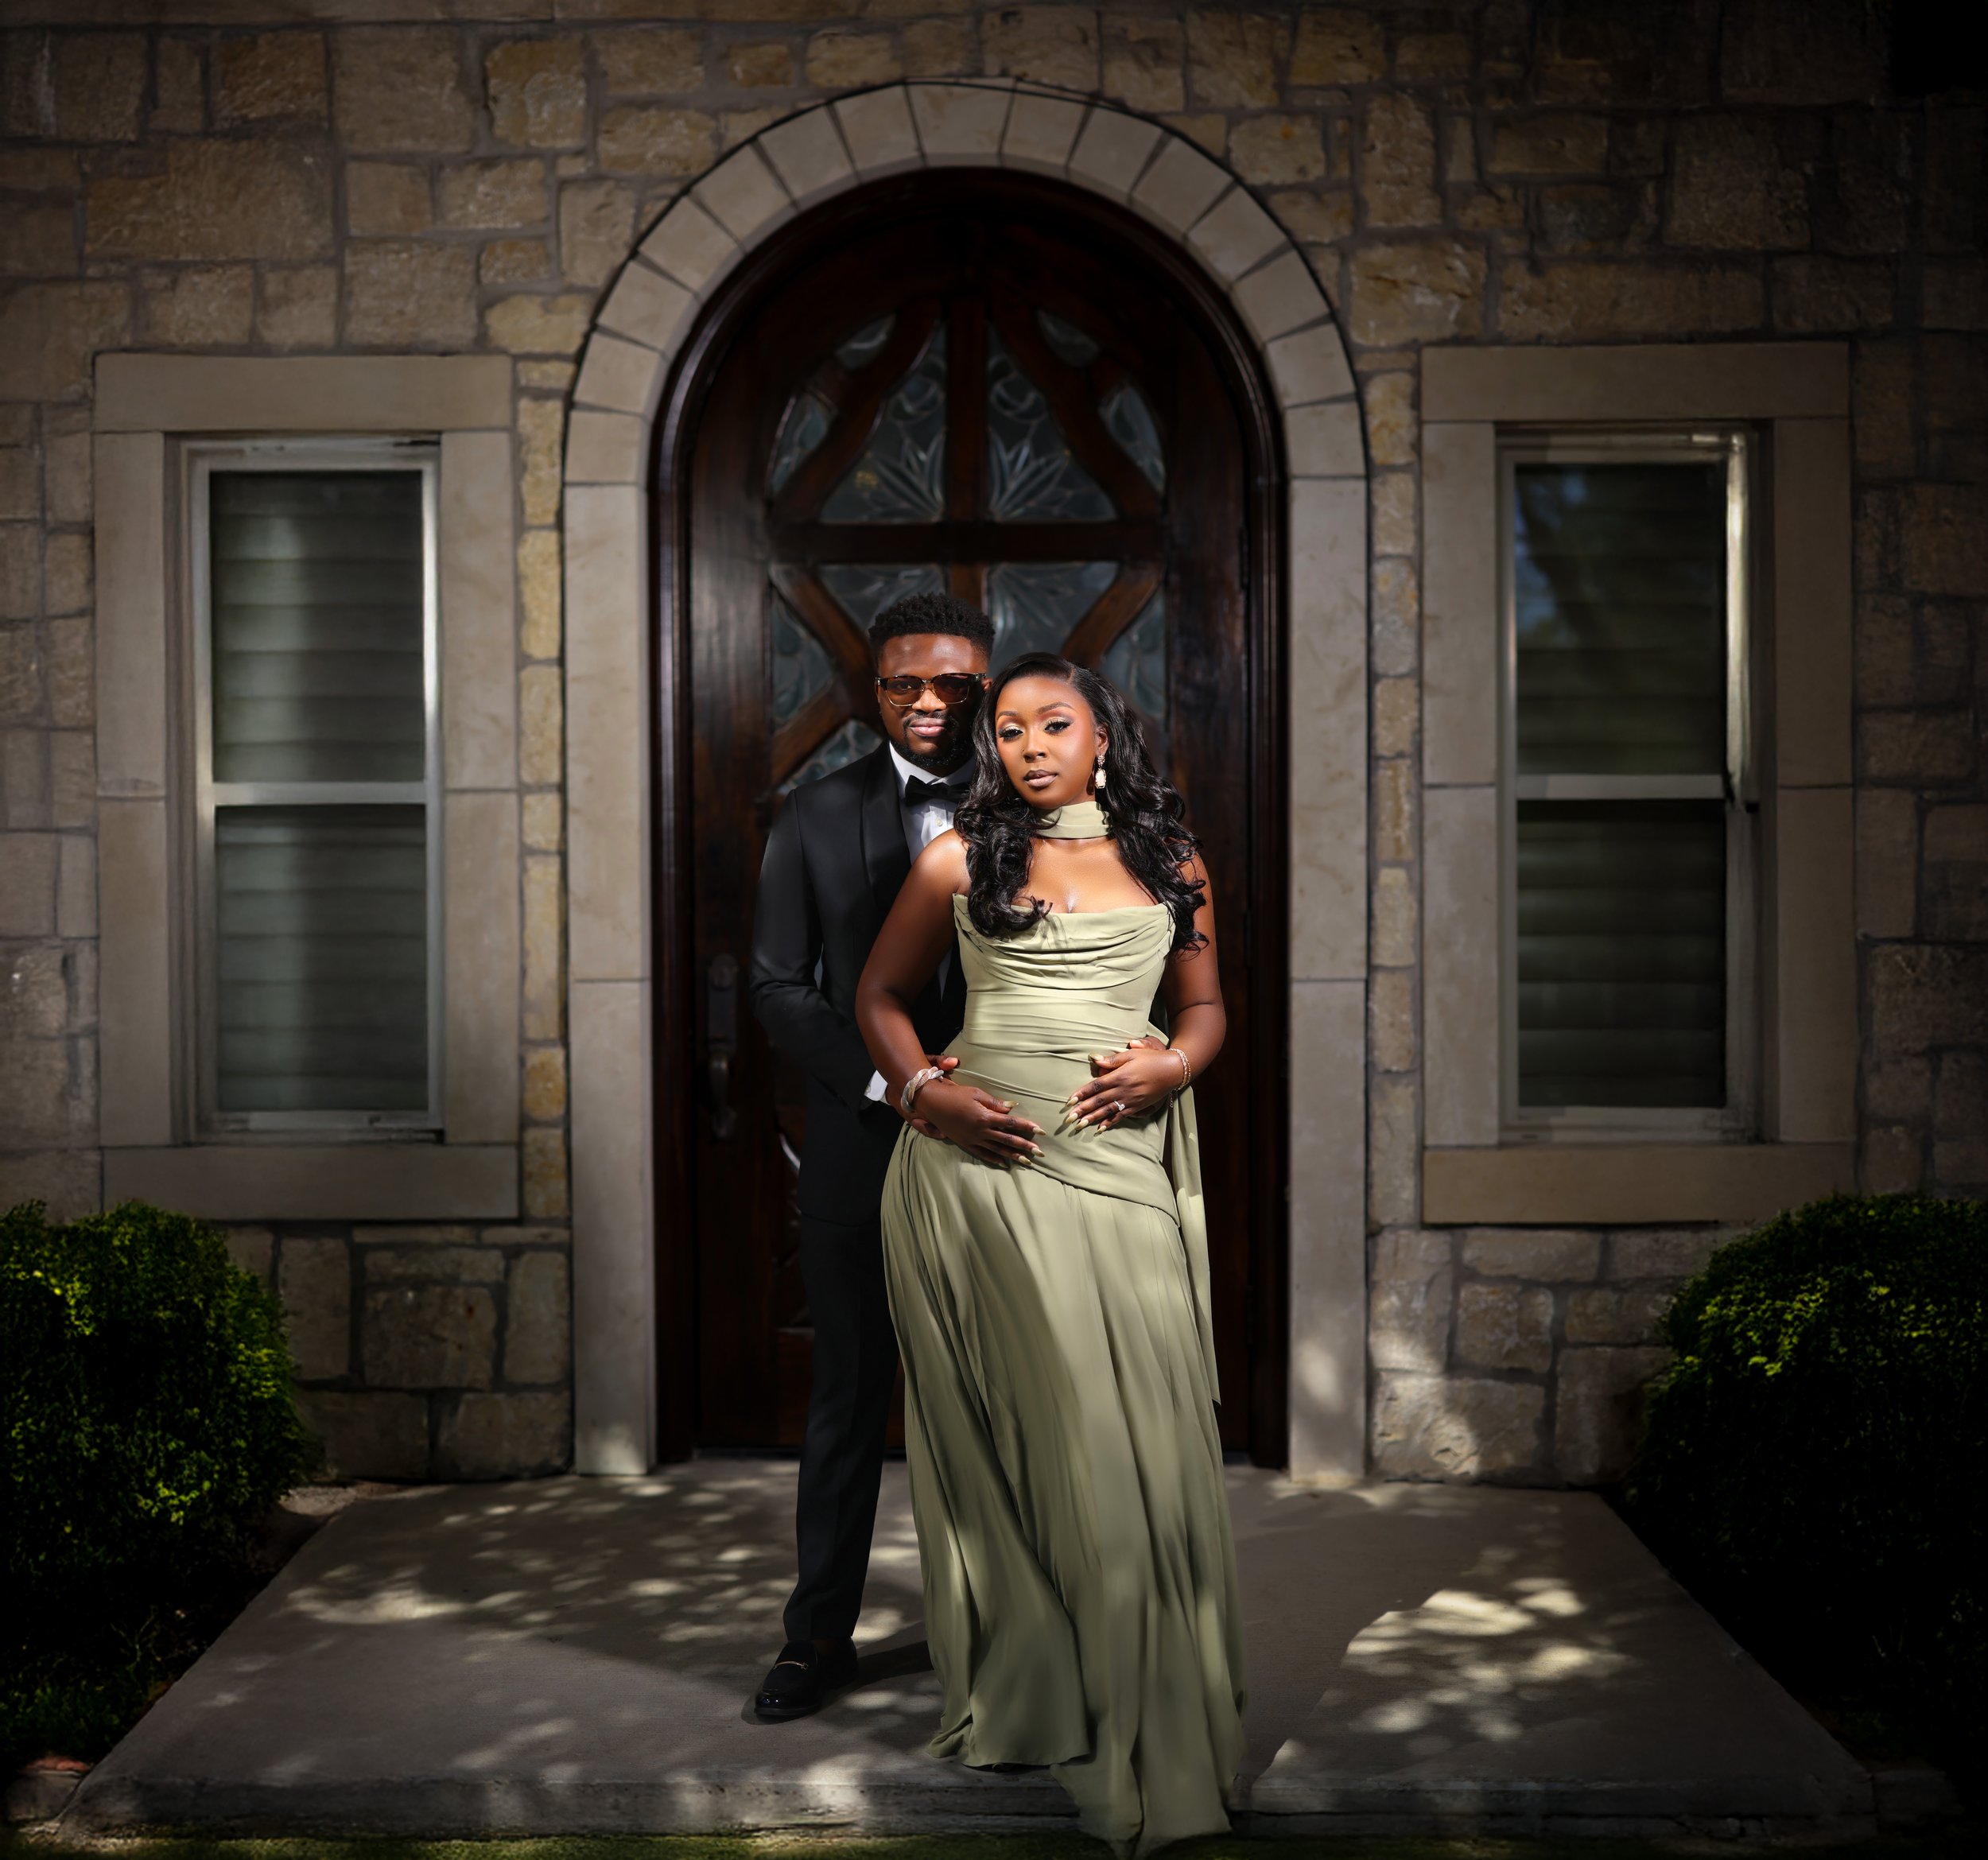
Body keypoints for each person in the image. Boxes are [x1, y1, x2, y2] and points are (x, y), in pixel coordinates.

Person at [854, 653, 1244, 1857]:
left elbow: (1205, 1010)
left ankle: (1146, 1710)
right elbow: (878, 997)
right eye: (1011, 729)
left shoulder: (1173, 862)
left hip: (1117, 1174)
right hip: (974, 1181)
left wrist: (1171, 1065)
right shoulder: (958, 860)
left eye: (1054, 724)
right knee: (1029, 1439)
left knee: (1131, 1446)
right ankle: (1045, 1689)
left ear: (1102, 737)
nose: (1030, 746)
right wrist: (924, 1094)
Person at [747, 590, 1010, 1721]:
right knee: (849, 1400)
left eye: (954, 682)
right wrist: (899, 1085)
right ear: (875, 692)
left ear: (986, 684)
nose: (929, 702)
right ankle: (817, 1639)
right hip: (863, 1146)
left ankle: (1008, 1642)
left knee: (1005, 1403)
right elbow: (777, 988)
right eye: (906, 682)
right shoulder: (813, 813)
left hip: (1011, 1146)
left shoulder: (1036, 805)